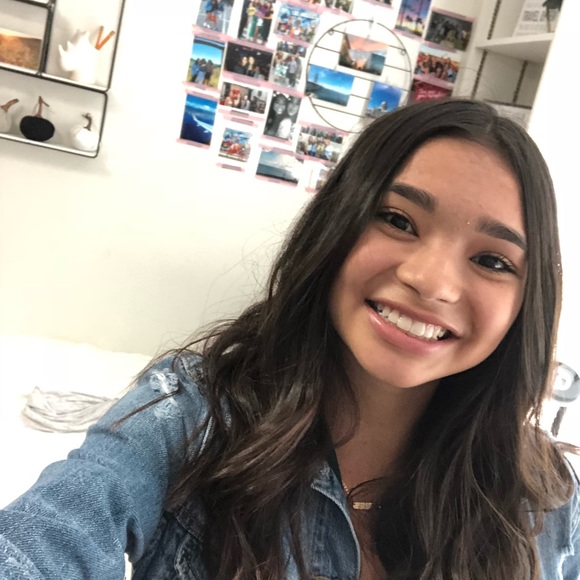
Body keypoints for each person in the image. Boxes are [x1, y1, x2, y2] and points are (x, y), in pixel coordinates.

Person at [0, 99, 579, 579]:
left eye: (492, 261)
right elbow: (44, 539)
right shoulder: (192, 414)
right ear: (337, 223)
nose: (431, 282)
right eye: (398, 220)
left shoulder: (549, 501)